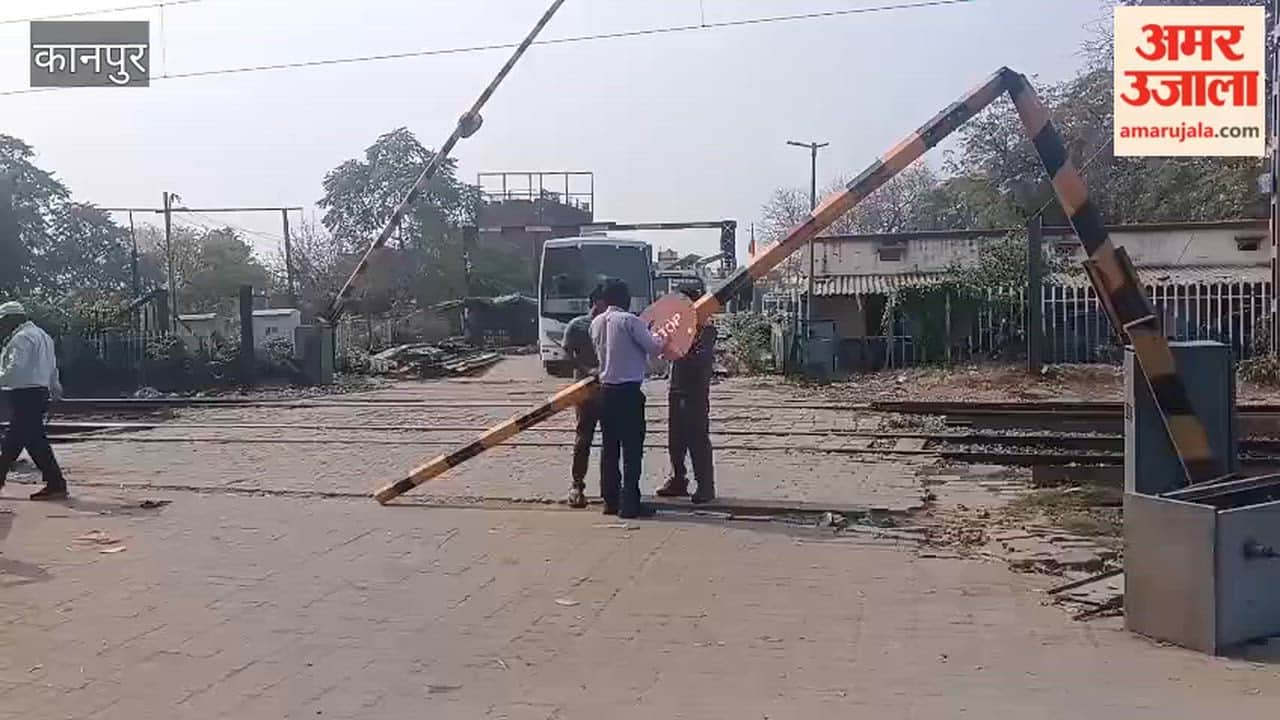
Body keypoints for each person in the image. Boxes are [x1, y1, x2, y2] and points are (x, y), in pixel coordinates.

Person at [590, 279, 665, 519]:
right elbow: (654, 347)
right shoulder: (630, 321)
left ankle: (610, 501)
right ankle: (630, 503)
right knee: (632, 450)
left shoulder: (597, 322)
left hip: (606, 392)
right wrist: (661, 335)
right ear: (625, 299)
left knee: (609, 448)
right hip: (629, 392)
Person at [0, 301, 68, 500]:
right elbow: (52, 368)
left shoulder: (20, 338)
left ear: (13, 319)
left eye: (3, 322)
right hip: (39, 392)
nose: (2, 327)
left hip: (25, 393)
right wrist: (55, 387)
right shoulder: (43, 336)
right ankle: (55, 483)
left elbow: (15, 369)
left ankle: (56, 483)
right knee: (18, 439)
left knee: (26, 439)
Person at [657, 285, 717, 504]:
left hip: (694, 391)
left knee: (697, 439)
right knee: (676, 439)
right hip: (677, 388)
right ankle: (678, 479)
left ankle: (705, 486)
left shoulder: (705, 330)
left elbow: (698, 359)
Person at [562, 284, 608, 509]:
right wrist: (586, 369)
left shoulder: (611, 325)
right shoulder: (577, 325)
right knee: (584, 437)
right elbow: (566, 353)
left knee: (610, 440)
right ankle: (577, 485)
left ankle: (608, 487)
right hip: (585, 390)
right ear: (597, 302)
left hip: (608, 389)